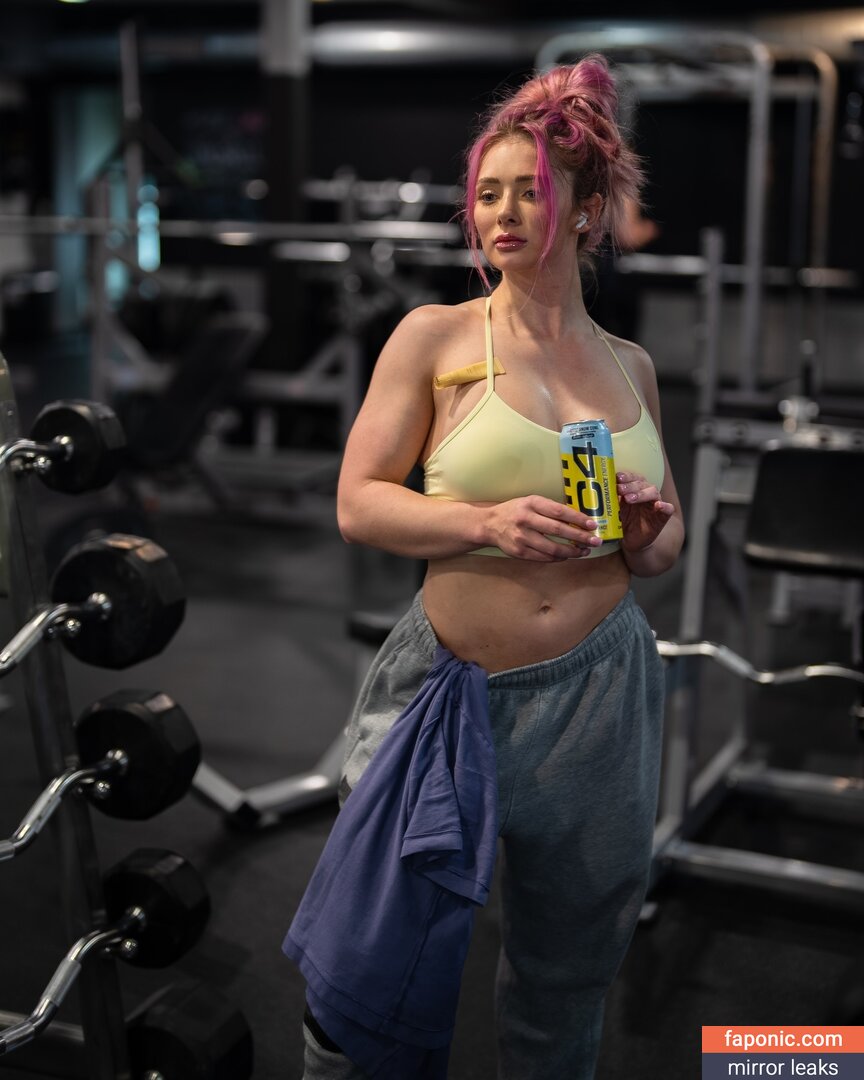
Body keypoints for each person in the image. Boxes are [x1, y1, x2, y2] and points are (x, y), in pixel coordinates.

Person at [284, 53, 684, 1080]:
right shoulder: (435, 336)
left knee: (569, 971)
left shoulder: (631, 365)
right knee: (366, 967)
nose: (500, 213)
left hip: (602, 693)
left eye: (530, 191)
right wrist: (485, 523)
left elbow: (665, 546)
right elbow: (358, 503)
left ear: (587, 210)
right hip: (450, 690)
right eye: (487, 192)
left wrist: (644, 527)